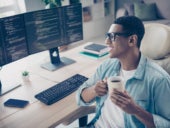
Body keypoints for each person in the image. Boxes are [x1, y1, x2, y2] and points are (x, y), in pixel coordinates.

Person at [76, 16, 170, 128]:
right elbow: (80, 97)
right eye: (107, 36)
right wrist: (94, 90)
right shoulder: (107, 66)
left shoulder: (159, 80)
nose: (106, 41)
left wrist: (135, 110)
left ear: (132, 40)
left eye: (112, 37)